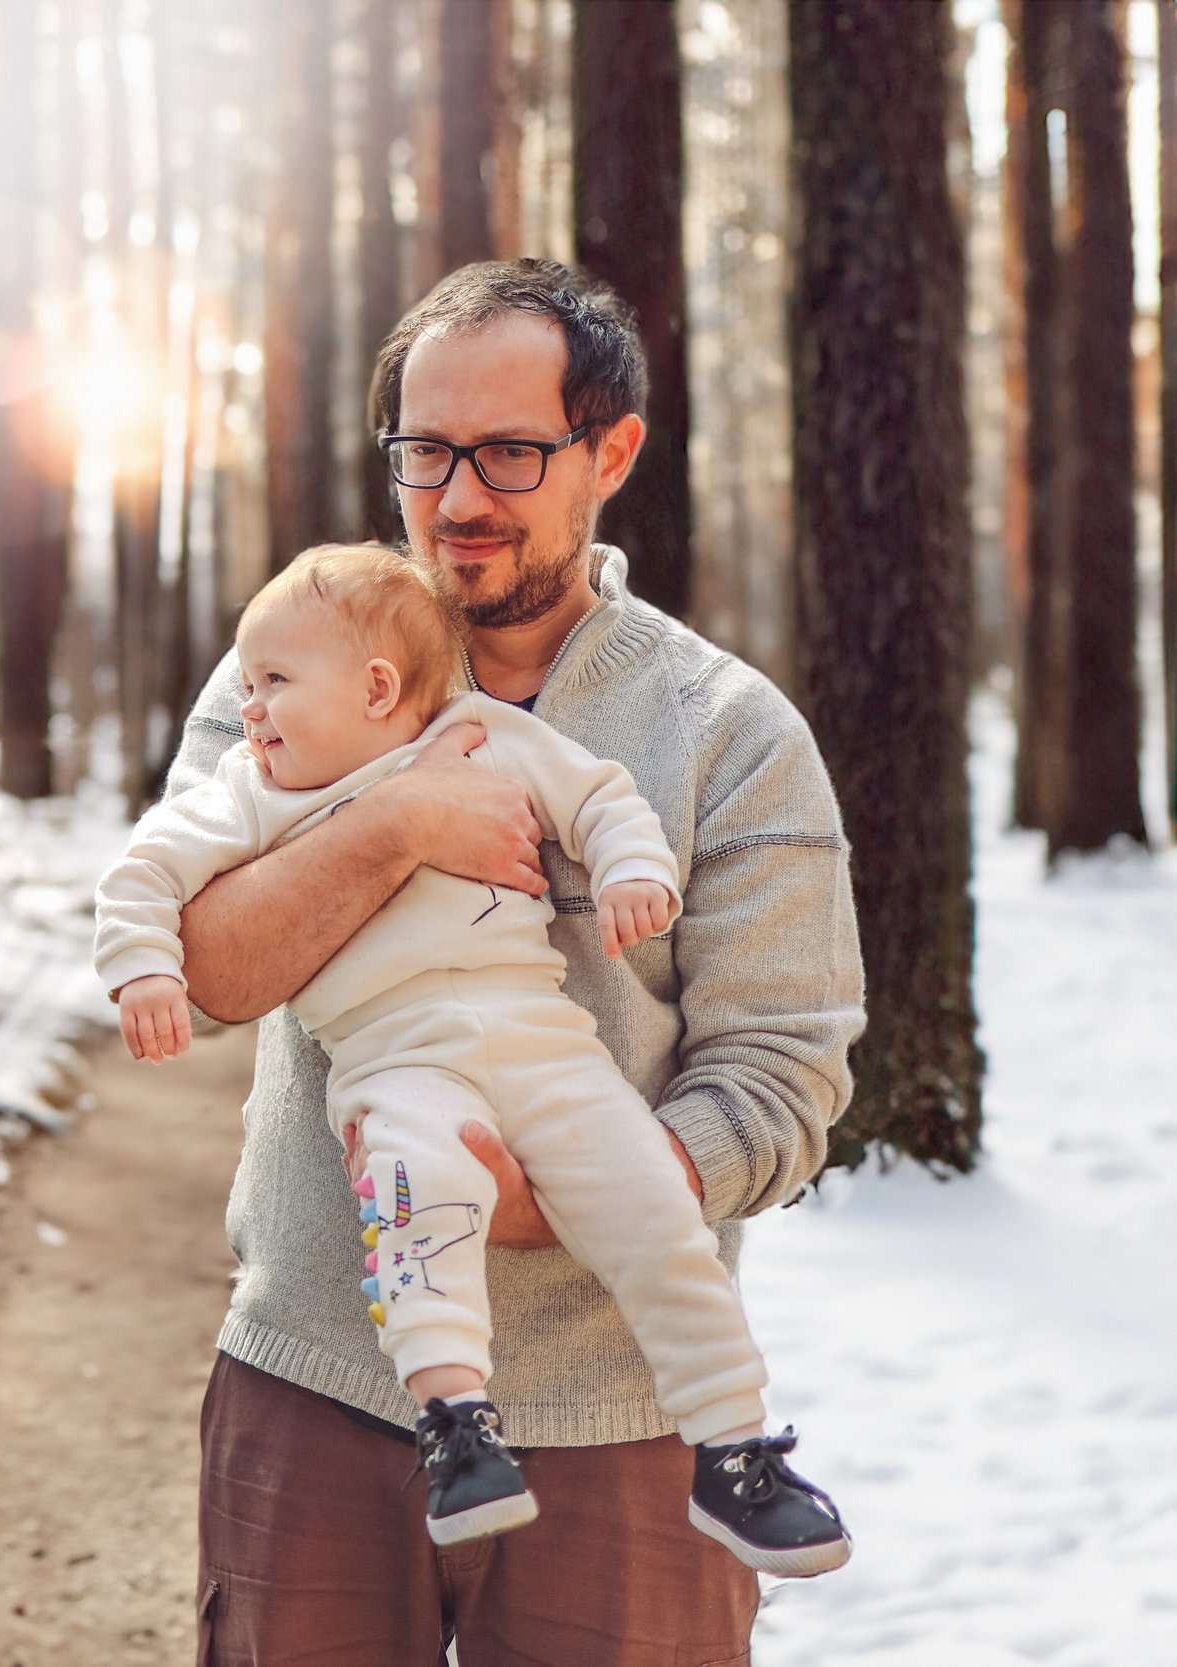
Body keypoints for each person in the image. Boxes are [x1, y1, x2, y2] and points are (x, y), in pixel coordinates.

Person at [173, 261, 867, 1665]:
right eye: (425, 452)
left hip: (618, 1426)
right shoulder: (293, 675)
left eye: (509, 451)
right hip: (313, 1382)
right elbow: (206, 965)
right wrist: (401, 820)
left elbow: (782, 1080)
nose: (460, 497)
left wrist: (547, 1199)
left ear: (610, 452)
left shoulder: (727, 729)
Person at [97, 543, 848, 1572]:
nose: (251, 704)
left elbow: (600, 799)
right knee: (417, 1196)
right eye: (250, 679)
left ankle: (732, 1442)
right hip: (397, 1064)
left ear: (374, 686)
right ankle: (456, 1420)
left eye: (273, 683)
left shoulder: (488, 734)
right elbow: (145, 872)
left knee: (652, 1207)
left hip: (541, 1041)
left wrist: (632, 870)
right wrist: (141, 969)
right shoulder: (251, 788)